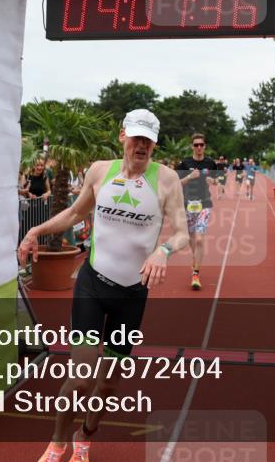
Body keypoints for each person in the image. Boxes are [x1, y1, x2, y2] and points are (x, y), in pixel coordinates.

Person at [18, 109, 189, 462]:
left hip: (132, 295)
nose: (142, 145)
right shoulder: (100, 170)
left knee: (108, 383)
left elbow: (183, 232)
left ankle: (87, 434)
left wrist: (164, 250)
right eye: (137, 137)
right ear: (122, 137)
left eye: (149, 140)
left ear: (154, 145)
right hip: (92, 285)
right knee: (81, 377)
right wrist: (35, 230)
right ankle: (57, 444)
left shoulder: (167, 179)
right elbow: (75, 214)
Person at [176, 133, 217, 291]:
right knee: (192, 239)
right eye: (196, 145)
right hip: (187, 205)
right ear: (192, 146)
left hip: (204, 204)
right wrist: (189, 177)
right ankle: (196, 259)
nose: (199, 147)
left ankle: (195, 273)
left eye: (201, 144)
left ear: (205, 146)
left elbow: (218, 181)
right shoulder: (185, 163)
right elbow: (176, 183)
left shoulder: (211, 163)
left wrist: (213, 181)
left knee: (199, 239)